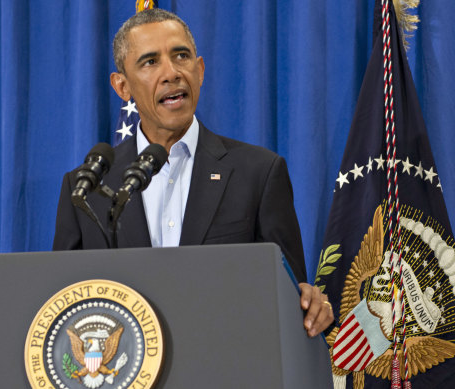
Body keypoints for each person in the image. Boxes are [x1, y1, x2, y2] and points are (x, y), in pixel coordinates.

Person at [53, 9, 333, 337]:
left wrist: (308, 303)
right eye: (150, 62)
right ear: (123, 86)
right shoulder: (87, 188)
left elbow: (288, 302)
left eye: (181, 56)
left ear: (199, 71)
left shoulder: (259, 173)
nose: (171, 73)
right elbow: (65, 306)